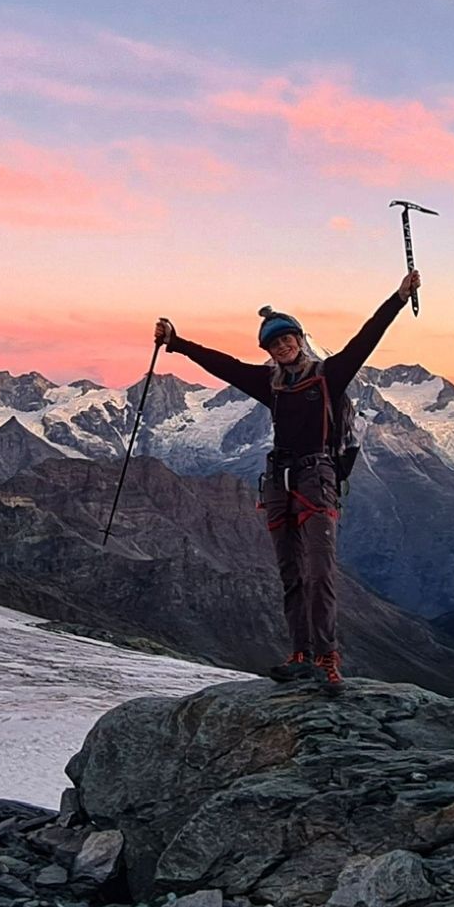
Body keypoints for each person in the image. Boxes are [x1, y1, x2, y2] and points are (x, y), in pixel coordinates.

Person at [154, 269, 420, 695]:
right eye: (274, 343)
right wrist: (178, 343)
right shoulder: (271, 384)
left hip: (316, 479)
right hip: (282, 482)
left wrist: (398, 297)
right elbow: (223, 364)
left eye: (286, 339)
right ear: (270, 351)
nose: (282, 346)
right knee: (291, 573)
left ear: (299, 339)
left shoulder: (330, 375)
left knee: (320, 572)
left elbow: (366, 339)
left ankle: (327, 658)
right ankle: (300, 655)